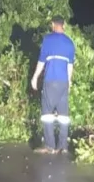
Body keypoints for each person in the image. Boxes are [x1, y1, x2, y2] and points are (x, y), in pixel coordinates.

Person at [30, 16, 76, 154]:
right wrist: (69, 82)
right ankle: (63, 146)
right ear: (64, 25)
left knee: (47, 113)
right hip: (63, 82)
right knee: (63, 115)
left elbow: (42, 61)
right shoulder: (70, 43)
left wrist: (35, 77)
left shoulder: (48, 40)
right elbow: (70, 66)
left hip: (50, 81)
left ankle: (50, 146)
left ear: (53, 24)